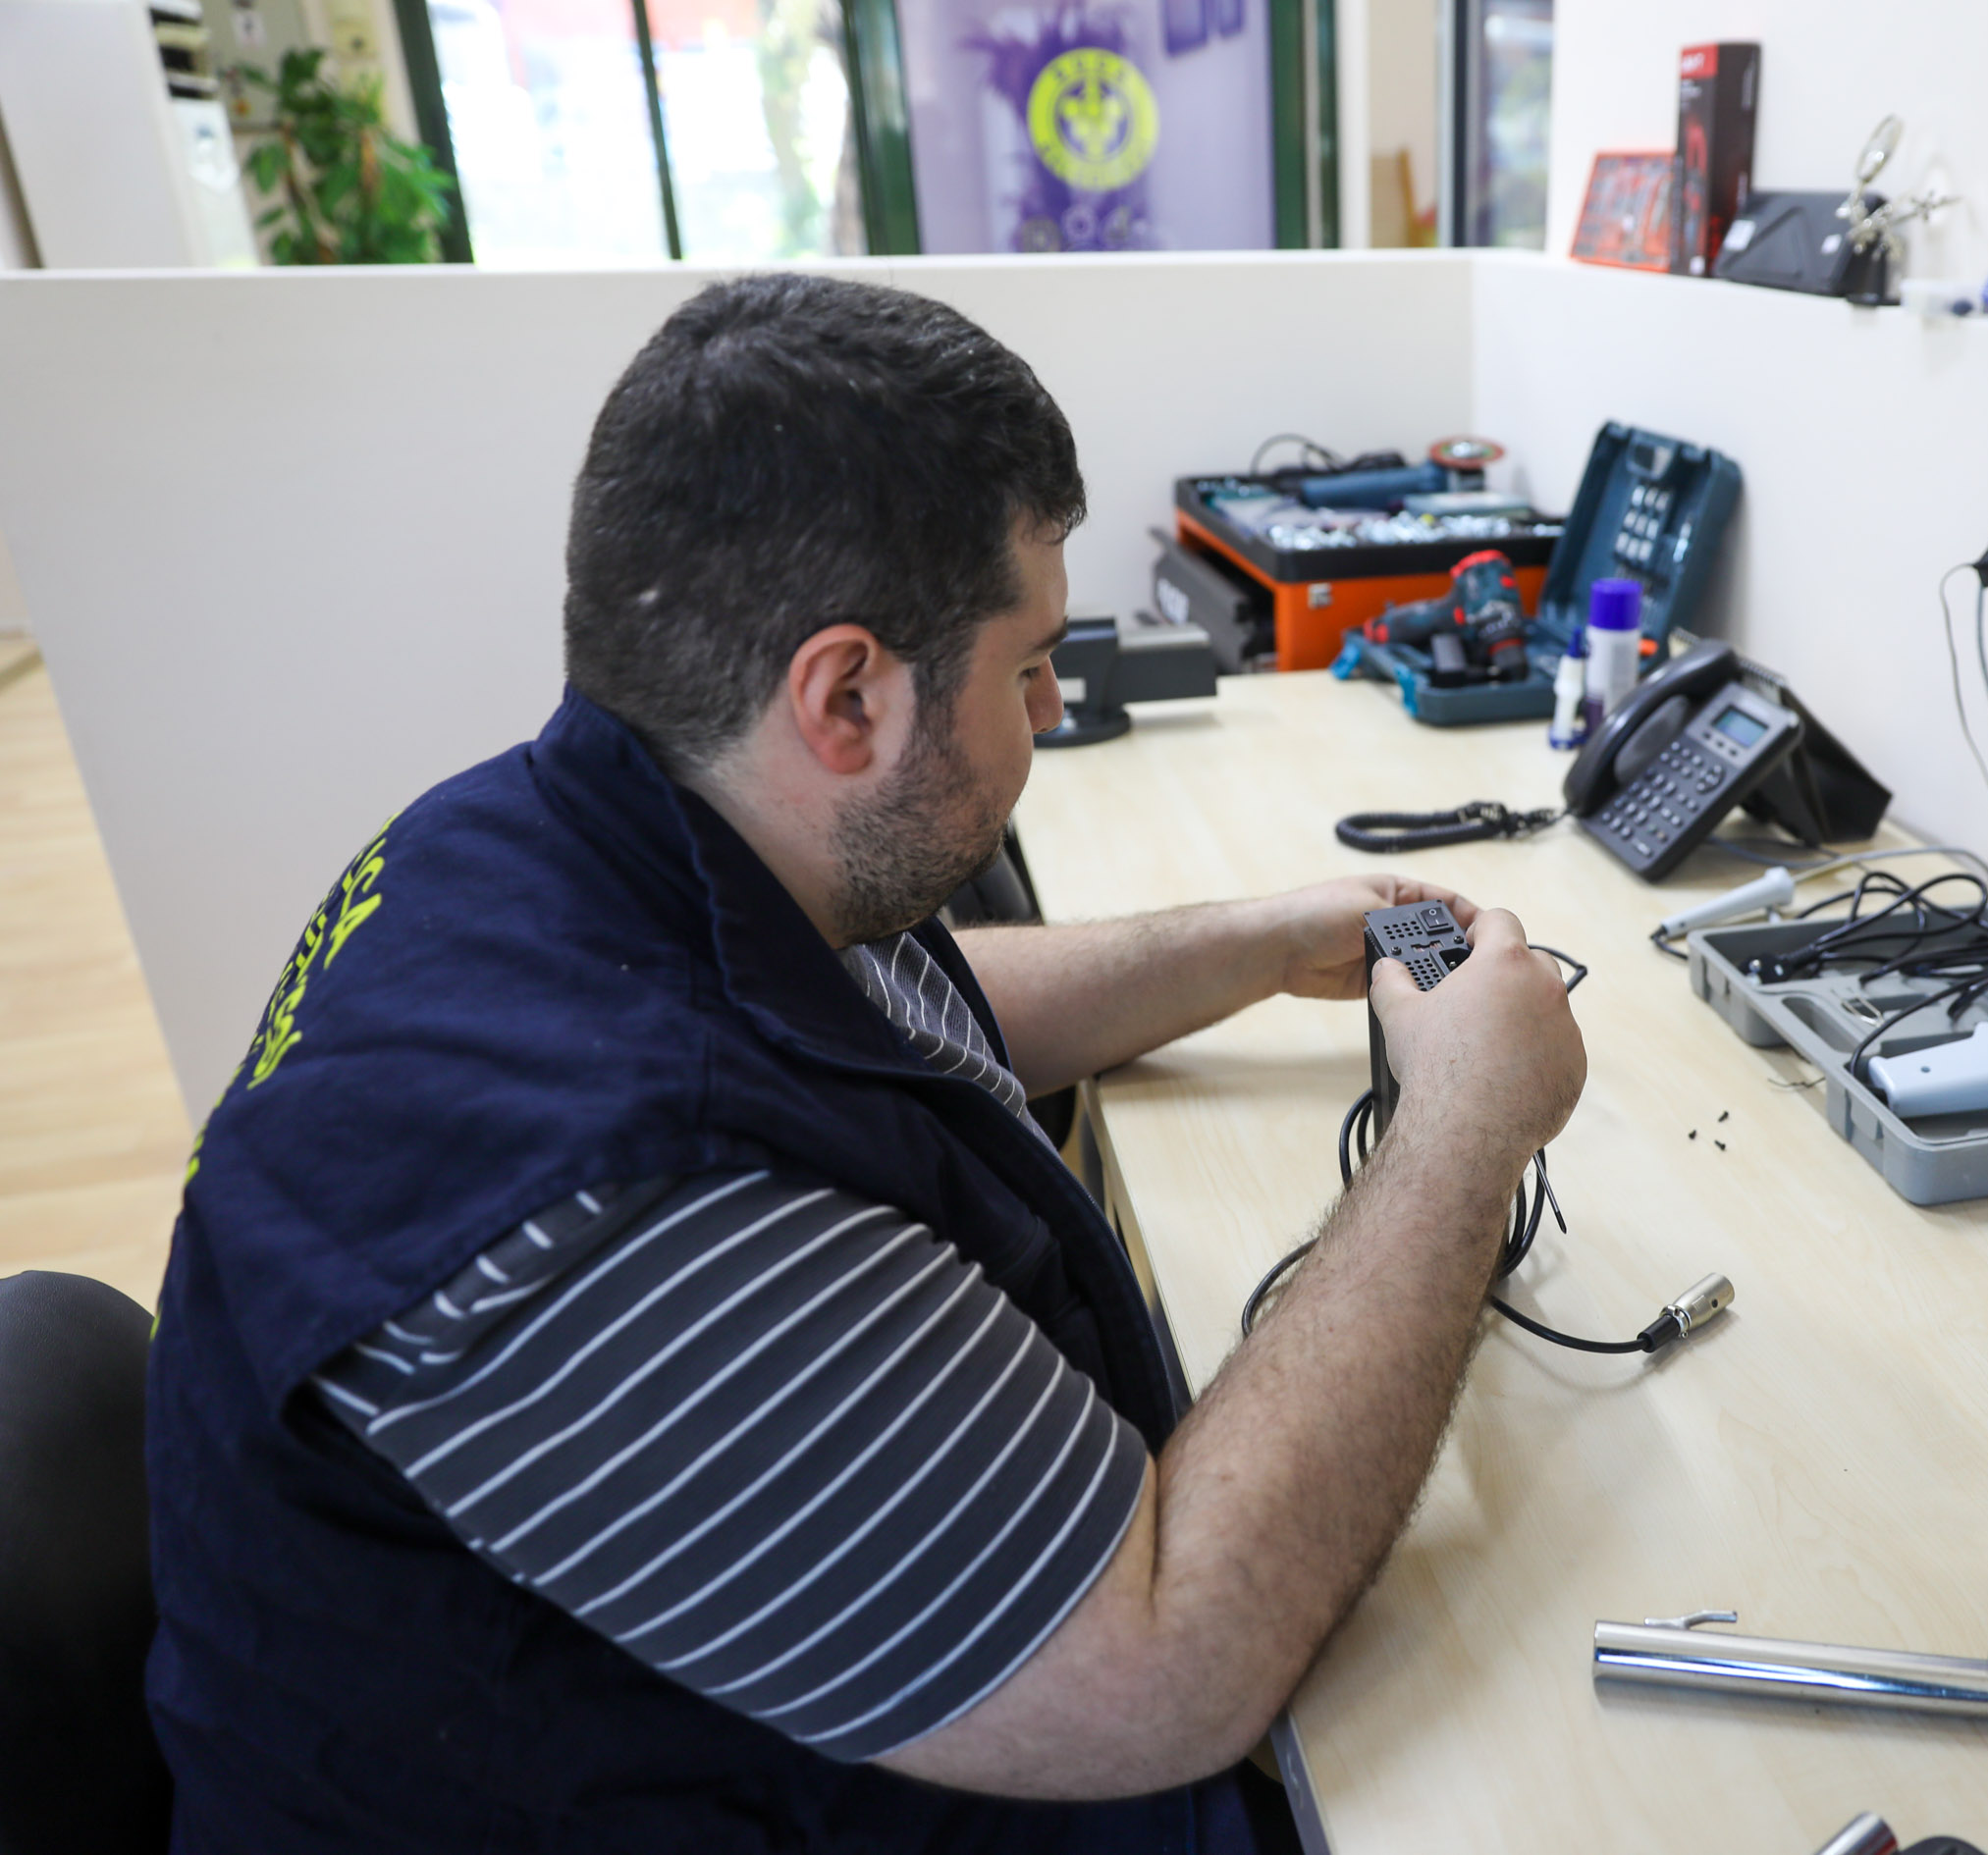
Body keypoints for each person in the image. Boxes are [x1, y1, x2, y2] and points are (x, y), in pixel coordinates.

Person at [143, 273, 1587, 1853]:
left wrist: (1253, 942)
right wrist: (1462, 1125)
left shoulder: (551, 835)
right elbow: (1172, 1660)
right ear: (846, 696)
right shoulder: (618, 1200)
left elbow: (881, 1025)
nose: (1055, 705)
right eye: (1026, 664)